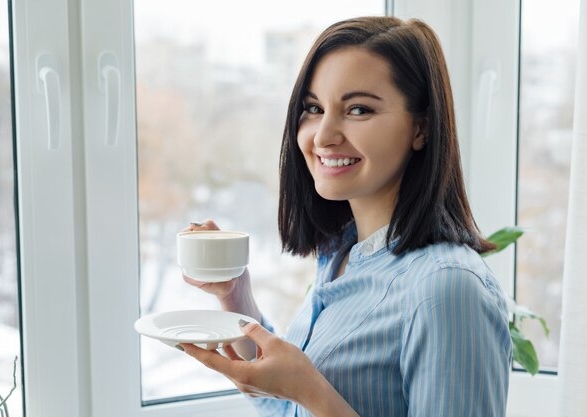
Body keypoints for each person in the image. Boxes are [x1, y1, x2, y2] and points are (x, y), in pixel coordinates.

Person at [178, 16, 512, 417]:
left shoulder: (447, 289)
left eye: (357, 109)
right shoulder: (342, 254)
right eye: (314, 108)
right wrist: (234, 294)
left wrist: (311, 391)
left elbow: (303, 395)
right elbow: (285, 405)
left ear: (421, 128)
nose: (322, 136)